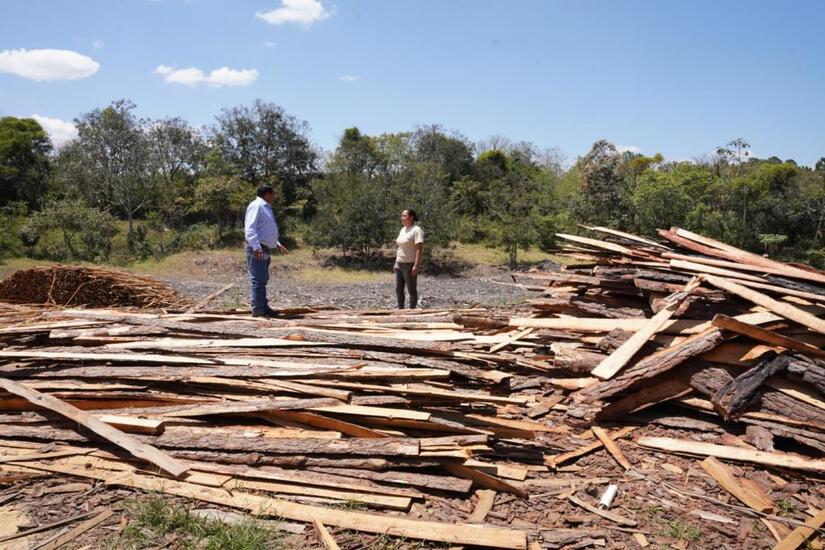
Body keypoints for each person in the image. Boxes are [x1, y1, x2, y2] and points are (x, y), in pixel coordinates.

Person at [244, 185, 288, 317]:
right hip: (258, 248)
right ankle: (258, 309)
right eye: (273, 194)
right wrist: (256, 247)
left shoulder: (265, 207)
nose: (274, 197)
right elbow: (250, 228)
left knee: (262, 279)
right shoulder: (256, 206)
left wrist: (277, 244)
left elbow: (264, 230)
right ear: (267, 194)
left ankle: (262, 306)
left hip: (264, 248)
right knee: (258, 280)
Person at [394, 209, 424, 309]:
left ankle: (412, 310)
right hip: (399, 263)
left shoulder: (416, 230)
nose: (402, 218)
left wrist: (416, 265)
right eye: (402, 216)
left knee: (411, 289)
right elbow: (400, 246)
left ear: (411, 217)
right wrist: (396, 262)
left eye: (404, 216)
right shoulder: (403, 229)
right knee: (398, 288)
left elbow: (419, 249)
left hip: (409, 263)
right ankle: (400, 309)